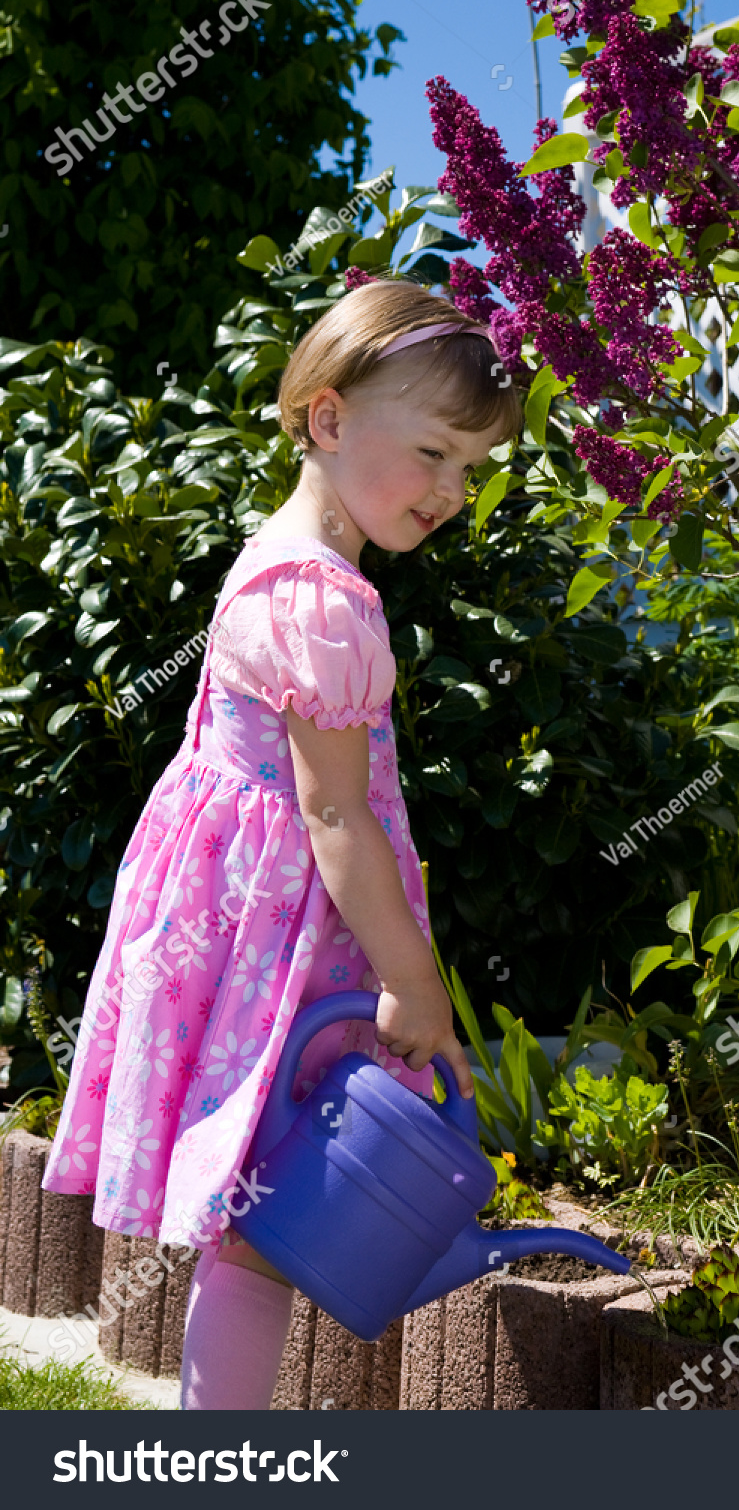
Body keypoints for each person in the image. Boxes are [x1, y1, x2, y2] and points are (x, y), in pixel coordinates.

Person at [41, 278, 523, 1409]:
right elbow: (331, 812)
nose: (452, 490)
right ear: (326, 417)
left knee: (254, 1213)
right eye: (435, 452)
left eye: (471, 468)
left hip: (233, 910)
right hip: (280, 933)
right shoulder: (325, 599)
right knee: (261, 1221)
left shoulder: (280, 557)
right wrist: (414, 980)